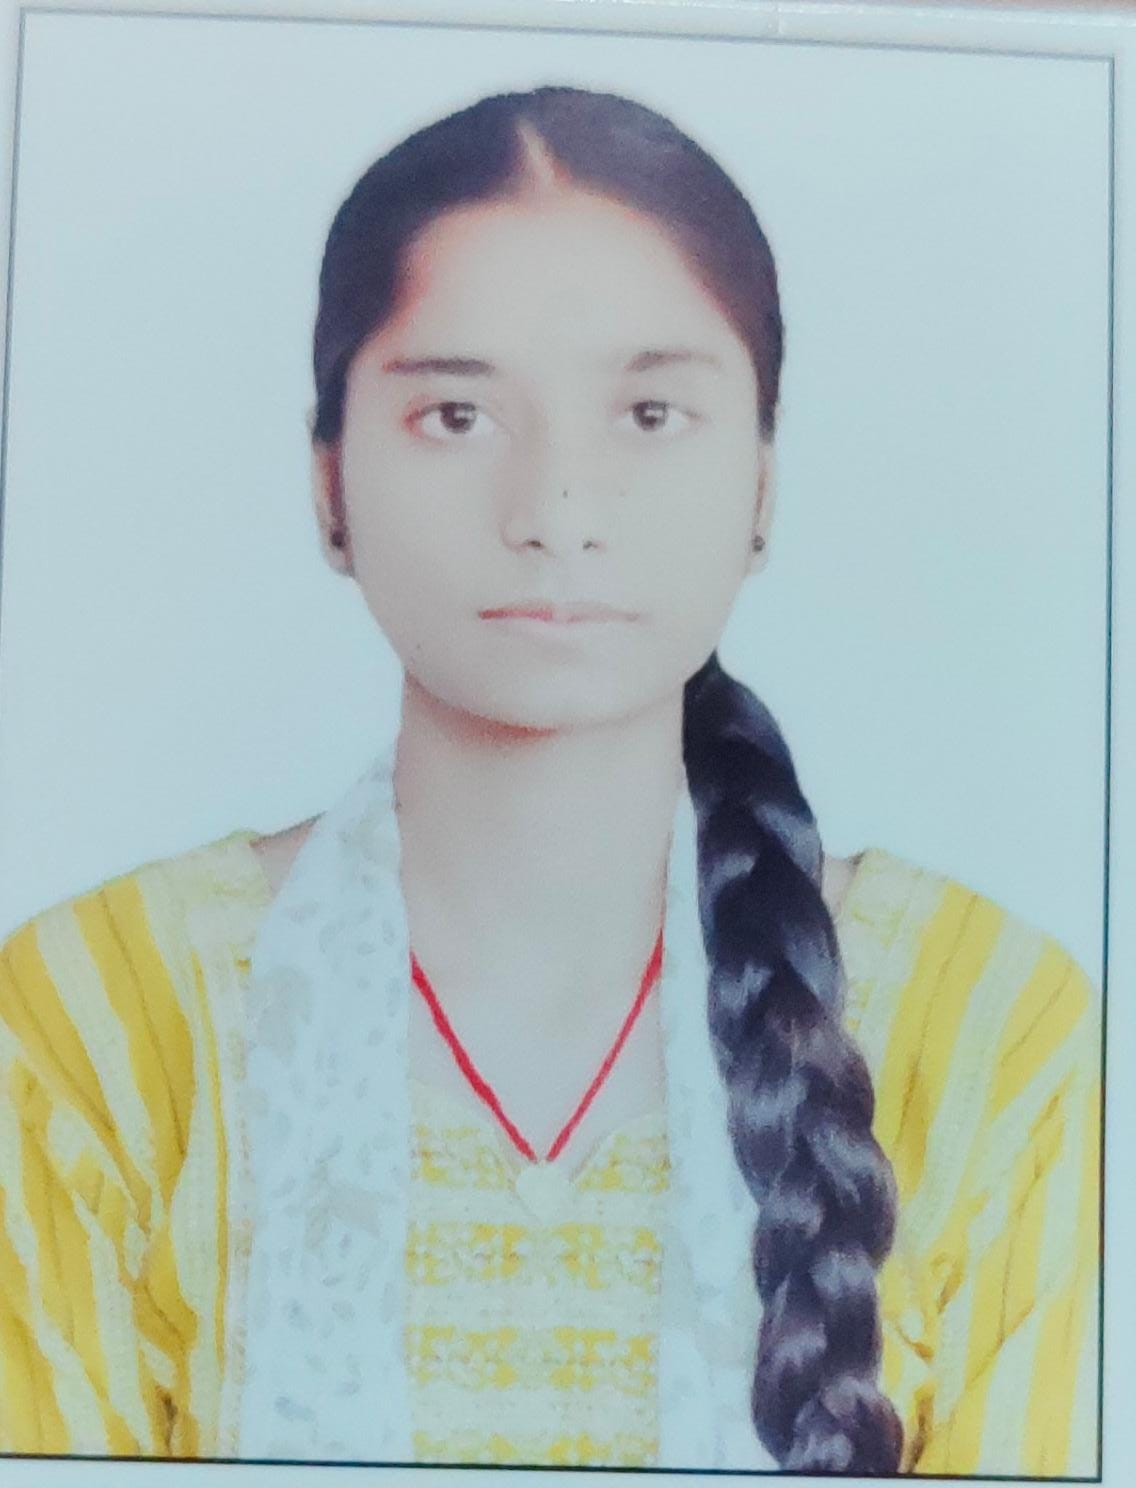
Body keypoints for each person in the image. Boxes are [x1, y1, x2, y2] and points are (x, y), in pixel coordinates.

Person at [0, 87, 1100, 1476]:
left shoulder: (991, 1028)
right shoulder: (96, 1022)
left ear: (763, 481)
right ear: (329, 484)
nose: (557, 513)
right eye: (457, 414)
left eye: (650, 412)